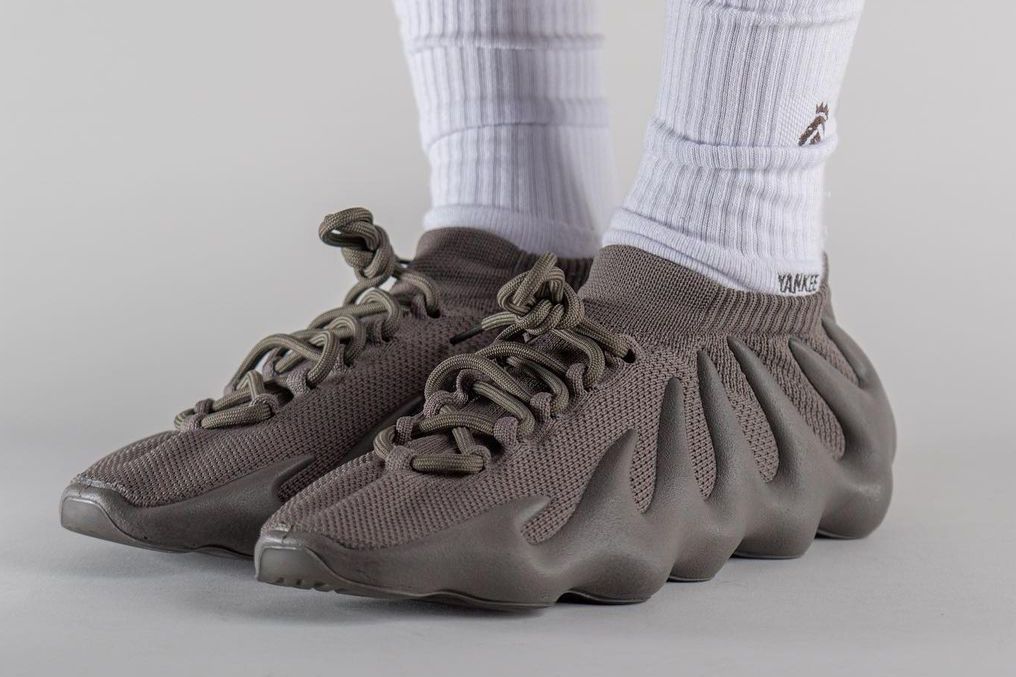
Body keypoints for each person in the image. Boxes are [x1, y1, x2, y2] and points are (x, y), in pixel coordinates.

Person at [62, 0, 894, 608]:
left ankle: (733, 259)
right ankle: (510, 241)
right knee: (504, 214)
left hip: (735, 299)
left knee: (723, 227)